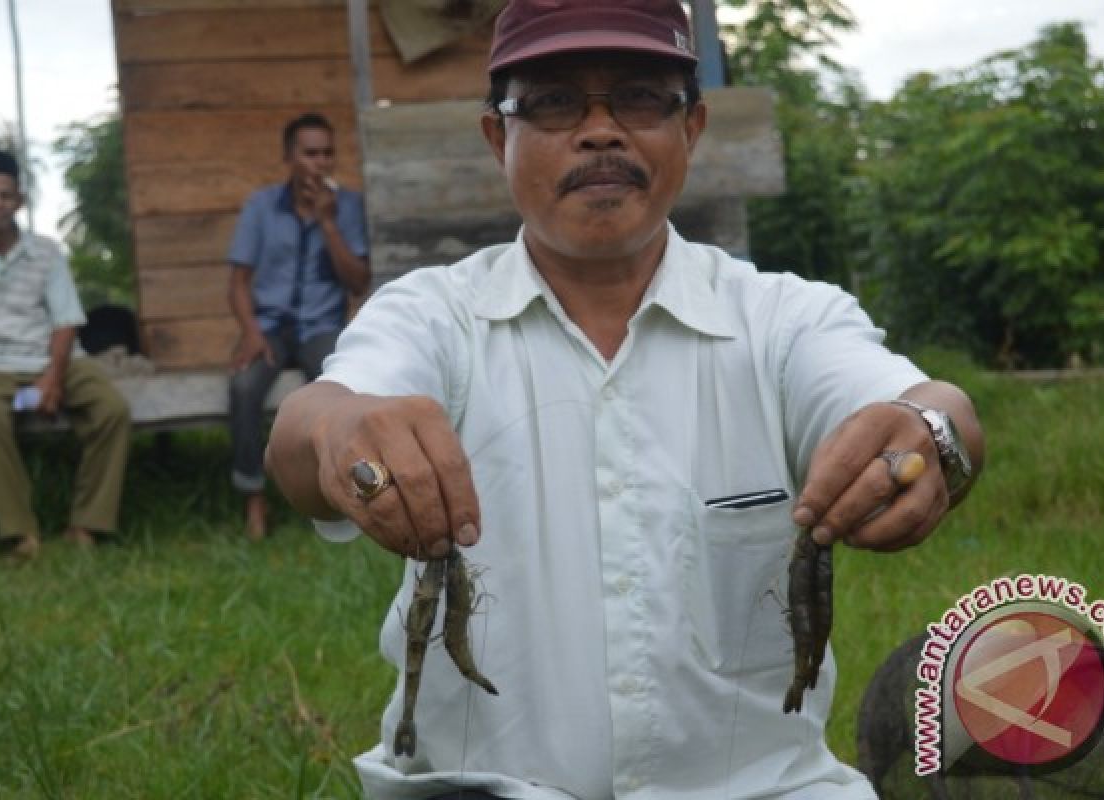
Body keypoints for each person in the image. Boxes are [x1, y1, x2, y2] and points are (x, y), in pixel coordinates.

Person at [265, 1, 986, 797]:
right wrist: (340, 432)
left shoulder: (785, 319)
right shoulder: (429, 314)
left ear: (693, 127)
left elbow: (930, 410)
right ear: (497, 137)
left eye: (641, 97)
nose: (600, 130)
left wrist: (930, 434)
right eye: (553, 102)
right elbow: (306, 432)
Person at [0, 150, 131, 560]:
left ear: (20, 202)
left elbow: (66, 320)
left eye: (6, 195)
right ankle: (19, 533)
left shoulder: (46, 251)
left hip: (53, 358)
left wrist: (50, 378)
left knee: (111, 409)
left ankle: (87, 524)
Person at [226, 112, 371, 540]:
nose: (320, 163)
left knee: (333, 382)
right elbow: (237, 284)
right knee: (244, 386)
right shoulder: (260, 207)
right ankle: (254, 498)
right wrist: (251, 333)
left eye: (328, 153)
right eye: (310, 153)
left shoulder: (348, 206)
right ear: (289, 157)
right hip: (268, 325)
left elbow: (358, 282)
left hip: (320, 325)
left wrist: (328, 222)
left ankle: (328, 495)